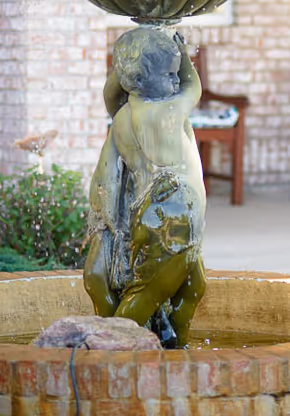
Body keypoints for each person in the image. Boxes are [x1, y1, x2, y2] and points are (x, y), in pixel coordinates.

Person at [83, 27, 207, 347]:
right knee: (150, 292)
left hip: (151, 213)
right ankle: (113, 349)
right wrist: (186, 61)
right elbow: (194, 88)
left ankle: (173, 348)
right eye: (169, 73)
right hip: (175, 215)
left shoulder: (122, 117)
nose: (176, 80)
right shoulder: (168, 111)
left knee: (193, 286)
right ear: (140, 81)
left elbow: (110, 95)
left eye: (175, 72)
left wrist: (120, 70)